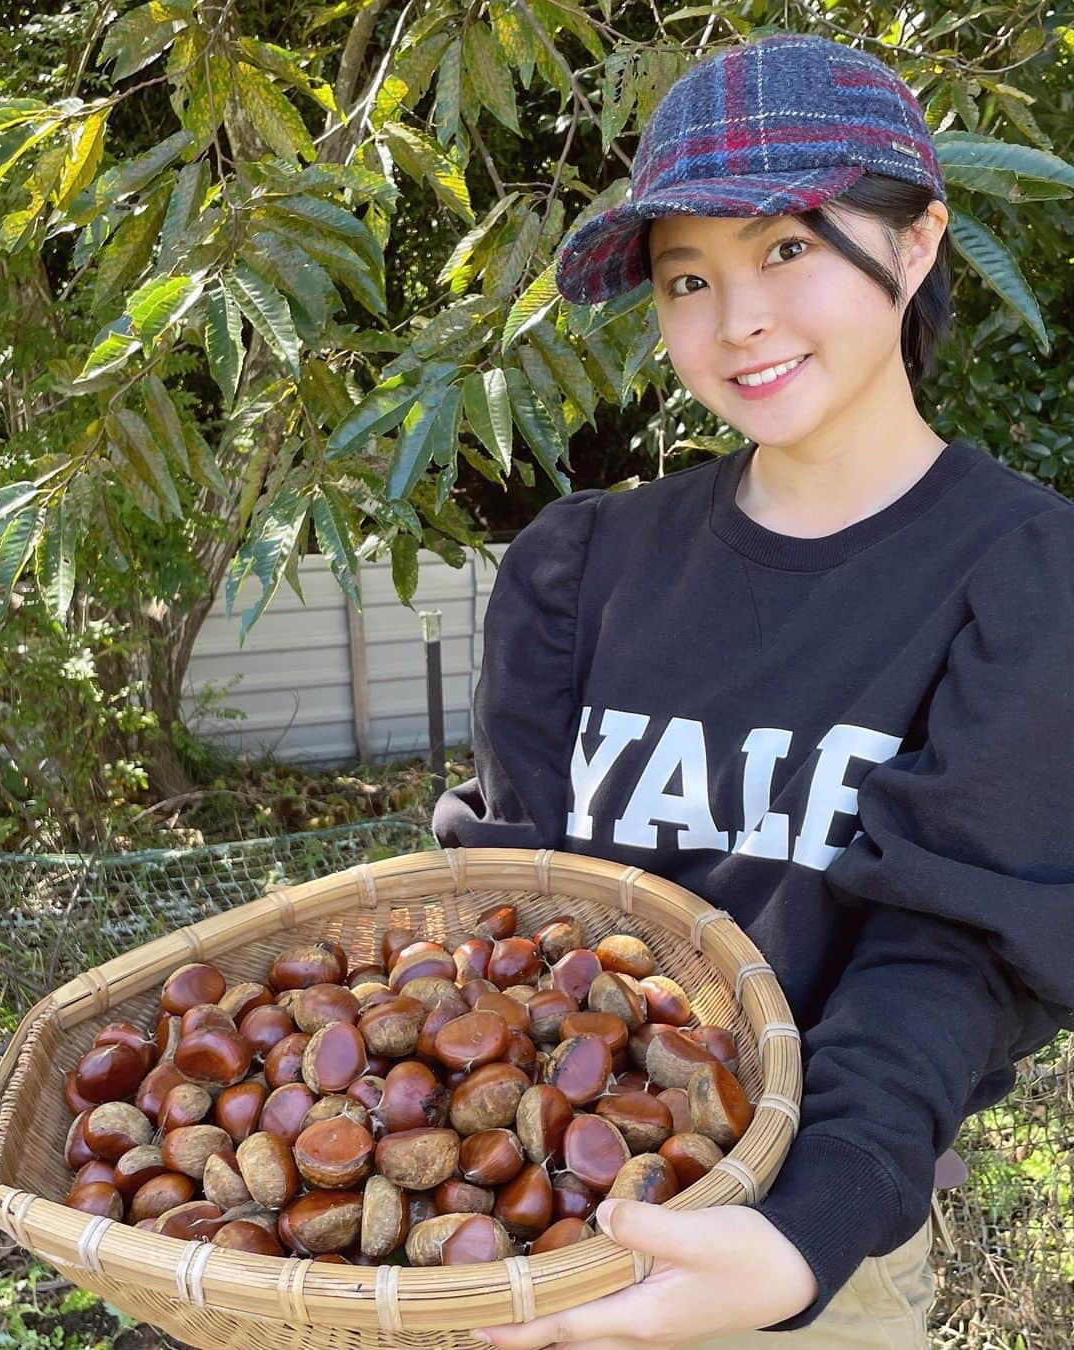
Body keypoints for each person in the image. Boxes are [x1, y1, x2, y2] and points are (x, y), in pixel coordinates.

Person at [431, 31, 1074, 1349]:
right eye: (687, 277)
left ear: (916, 242)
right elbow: (512, 912)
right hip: (538, 1222)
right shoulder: (583, 568)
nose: (739, 322)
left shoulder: (1020, 577)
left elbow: (943, 953)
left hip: (803, 1258)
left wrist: (803, 1233)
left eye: (787, 247)